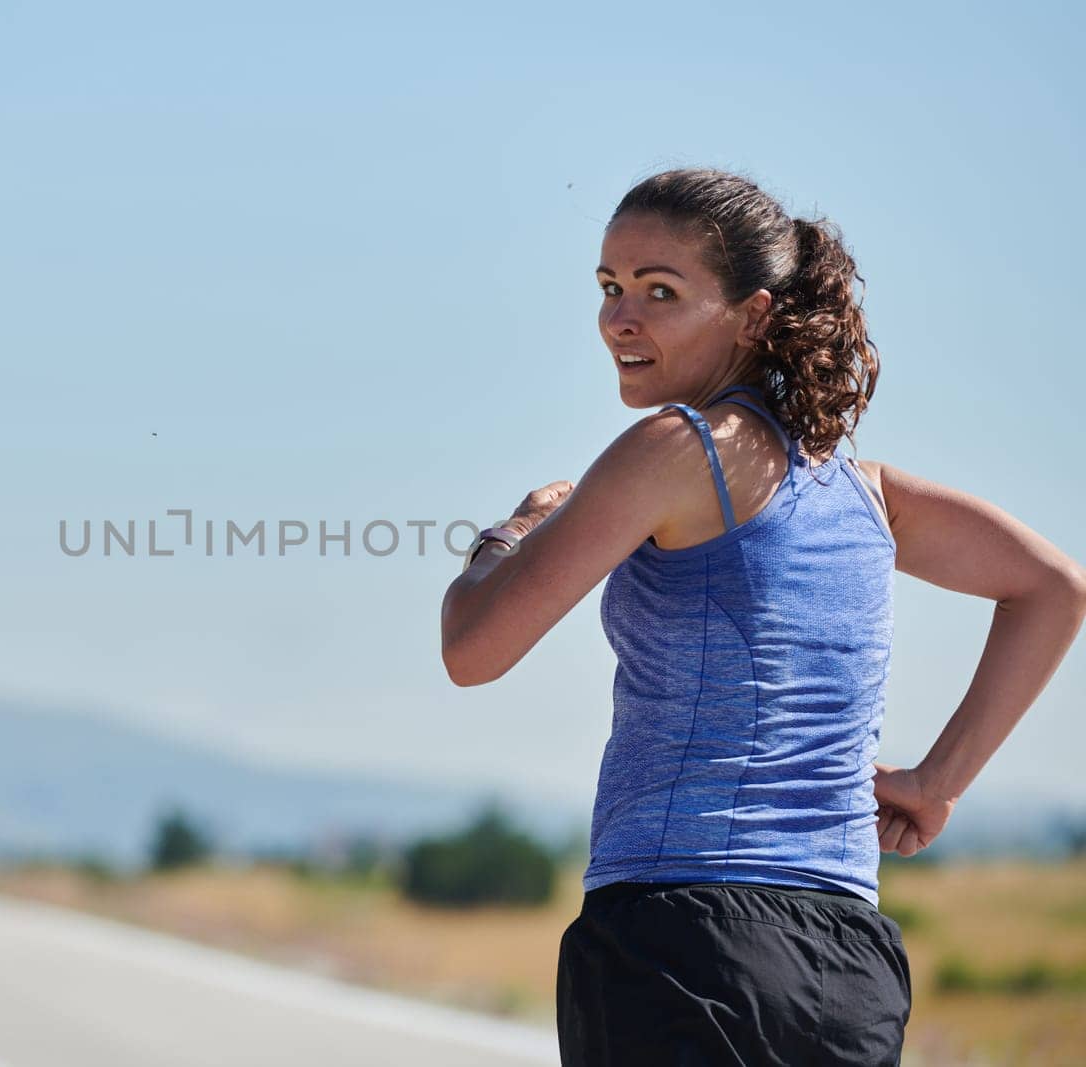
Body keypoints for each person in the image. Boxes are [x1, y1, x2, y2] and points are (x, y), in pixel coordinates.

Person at [439, 166, 1086, 1065]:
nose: (619, 318)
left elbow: (473, 648)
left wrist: (509, 533)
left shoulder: (674, 451)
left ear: (754, 315)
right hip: (844, 956)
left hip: (678, 937)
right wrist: (939, 783)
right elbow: (1055, 587)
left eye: (660, 292)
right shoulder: (869, 491)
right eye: (610, 287)